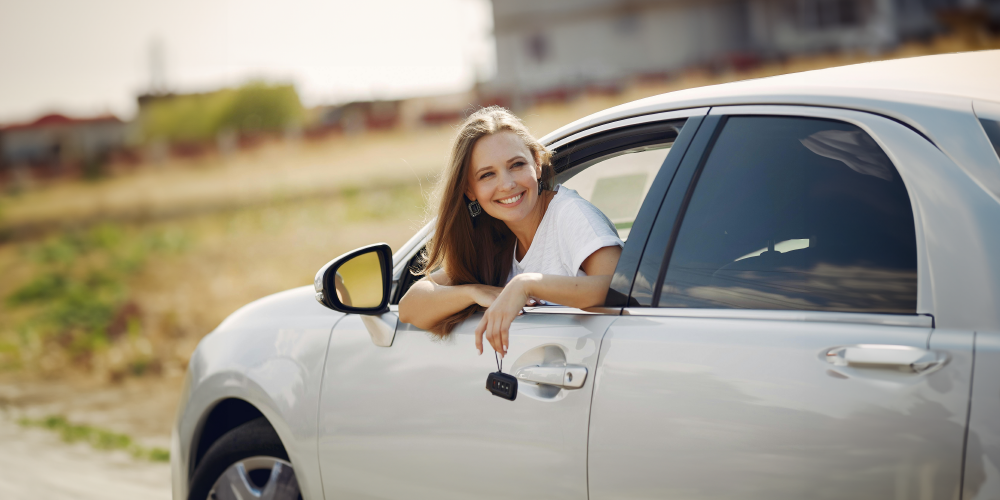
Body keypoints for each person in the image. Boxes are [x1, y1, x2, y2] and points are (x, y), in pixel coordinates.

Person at [398, 106, 622, 358]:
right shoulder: (495, 238)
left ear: (537, 164)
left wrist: (526, 285)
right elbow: (409, 307)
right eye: (487, 175)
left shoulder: (570, 214)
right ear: (469, 190)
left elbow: (623, 291)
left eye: (516, 165)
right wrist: (475, 292)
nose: (507, 184)